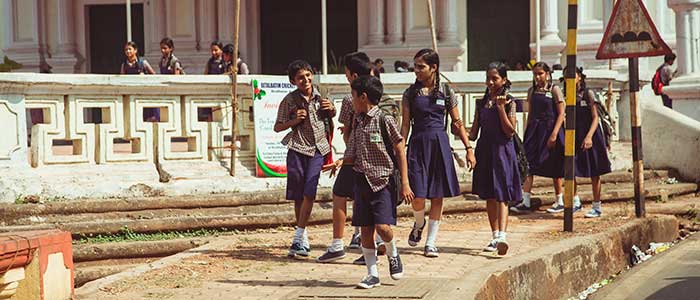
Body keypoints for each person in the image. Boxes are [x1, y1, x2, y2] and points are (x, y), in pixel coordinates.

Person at [340, 75, 413, 289]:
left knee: (383, 227)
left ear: (363, 97)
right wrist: (339, 163)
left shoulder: (385, 119)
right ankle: (372, 274)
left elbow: (400, 150)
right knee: (365, 229)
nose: (351, 100)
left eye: (353, 96)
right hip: (361, 180)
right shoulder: (358, 121)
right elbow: (352, 151)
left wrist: (406, 183)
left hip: (382, 181)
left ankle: (392, 251)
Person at [402, 48, 475, 257]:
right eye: (415, 66)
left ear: (433, 68)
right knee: (417, 196)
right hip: (417, 145)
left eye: (421, 66)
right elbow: (405, 125)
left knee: (437, 195)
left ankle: (431, 242)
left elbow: (457, 122)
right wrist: (400, 146)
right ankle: (418, 223)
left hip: (439, 144)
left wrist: (469, 148)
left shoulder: (446, 91)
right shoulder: (410, 93)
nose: (416, 70)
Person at [274, 60, 336, 259]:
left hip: (318, 148)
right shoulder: (289, 100)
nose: (306, 80)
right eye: (300, 77)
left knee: (310, 191)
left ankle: (298, 236)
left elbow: (331, 117)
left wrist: (332, 110)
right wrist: (295, 120)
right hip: (297, 148)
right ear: (293, 81)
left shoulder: (322, 96)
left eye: (308, 75)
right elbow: (278, 126)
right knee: (298, 194)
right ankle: (303, 236)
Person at [316, 52, 372, 263]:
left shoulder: (351, 98)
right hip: (377, 157)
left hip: (355, 156)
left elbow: (348, 131)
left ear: (354, 74)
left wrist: (347, 156)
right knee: (368, 198)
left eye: (347, 73)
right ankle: (372, 245)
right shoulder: (378, 92)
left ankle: (337, 244)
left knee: (339, 193)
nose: (346, 77)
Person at [469, 61, 521, 256]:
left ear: (504, 80)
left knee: (502, 194)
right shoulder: (481, 103)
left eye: (495, 78)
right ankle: (494, 235)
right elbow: (474, 133)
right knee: (489, 195)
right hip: (485, 151)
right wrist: (458, 129)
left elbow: (510, 131)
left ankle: (502, 236)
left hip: (503, 151)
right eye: (488, 78)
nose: (490, 82)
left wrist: (500, 109)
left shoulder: (510, 102)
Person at [511, 62, 568, 214]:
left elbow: (561, 113)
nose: (537, 77)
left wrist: (555, 134)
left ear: (547, 74)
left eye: (540, 73)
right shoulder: (532, 91)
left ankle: (559, 200)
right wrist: (527, 131)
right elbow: (530, 113)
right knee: (529, 164)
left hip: (550, 130)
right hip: (535, 131)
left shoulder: (554, 90)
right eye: (535, 74)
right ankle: (526, 200)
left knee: (555, 165)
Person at [569, 67, 612, 218]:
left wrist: (589, 137)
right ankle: (575, 201)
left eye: (572, 75)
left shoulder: (588, 94)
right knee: (570, 168)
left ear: (579, 77)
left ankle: (597, 205)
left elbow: (595, 118)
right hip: (575, 135)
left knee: (595, 172)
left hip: (591, 135)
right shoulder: (567, 95)